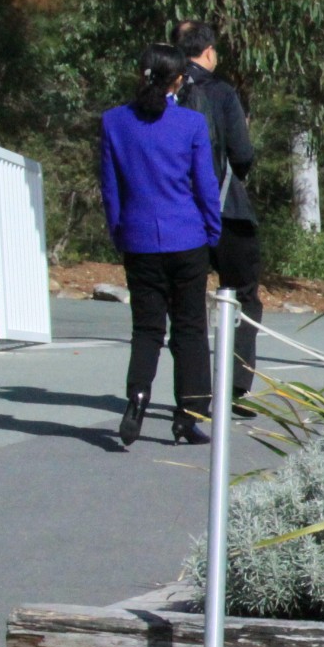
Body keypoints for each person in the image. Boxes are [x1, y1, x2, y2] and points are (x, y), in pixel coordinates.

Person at [99, 43, 220, 447]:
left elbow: (111, 188)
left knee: (147, 328)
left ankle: (136, 399)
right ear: (179, 81)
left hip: (138, 238)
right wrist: (212, 231)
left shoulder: (114, 122)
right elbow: (205, 185)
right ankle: (188, 414)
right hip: (186, 237)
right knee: (189, 328)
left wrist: (119, 231)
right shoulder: (190, 124)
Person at [173, 19, 259, 411]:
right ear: (208, 52)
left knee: (187, 304)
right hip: (228, 212)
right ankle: (235, 388)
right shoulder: (223, 93)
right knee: (241, 296)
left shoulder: (168, 93)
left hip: (180, 214)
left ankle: (192, 395)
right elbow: (241, 154)